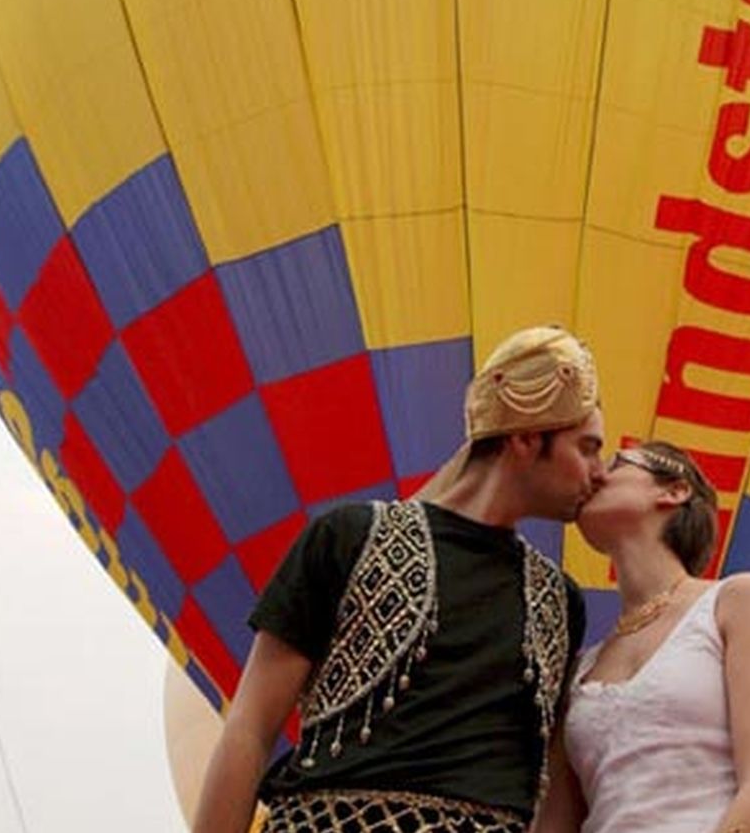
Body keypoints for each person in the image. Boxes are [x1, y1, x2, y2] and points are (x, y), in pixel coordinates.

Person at [192, 326, 607, 833]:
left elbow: (552, 795)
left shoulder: (559, 601)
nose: (600, 471)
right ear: (525, 438)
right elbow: (251, 726)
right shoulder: (350, 538)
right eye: (587, 447)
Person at [538, 441, 750, 833]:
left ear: (674, 491)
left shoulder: (739, 601)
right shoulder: (580, 670)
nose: (595, 474)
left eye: (616, 463)